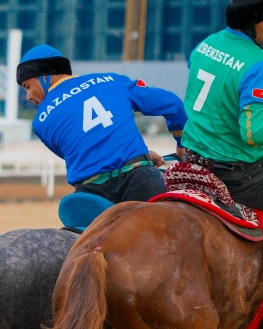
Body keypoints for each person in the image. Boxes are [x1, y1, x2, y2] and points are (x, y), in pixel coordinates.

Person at [18, 44, 187, 211]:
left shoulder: (40, 122)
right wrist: (181, 145)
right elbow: (173, 105)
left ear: (45, 76)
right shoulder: (112, 81)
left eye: (28, 87)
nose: (29, 96)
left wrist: (137, 153)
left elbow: (84, 153)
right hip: (140, 181)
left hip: (91, 196)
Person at [178, 0, 263, 206]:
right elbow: (253, 134)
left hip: (193, 159)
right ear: (257, 22)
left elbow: (197, 69)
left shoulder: (207, 44)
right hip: (239, 176)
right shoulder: (258, 64)